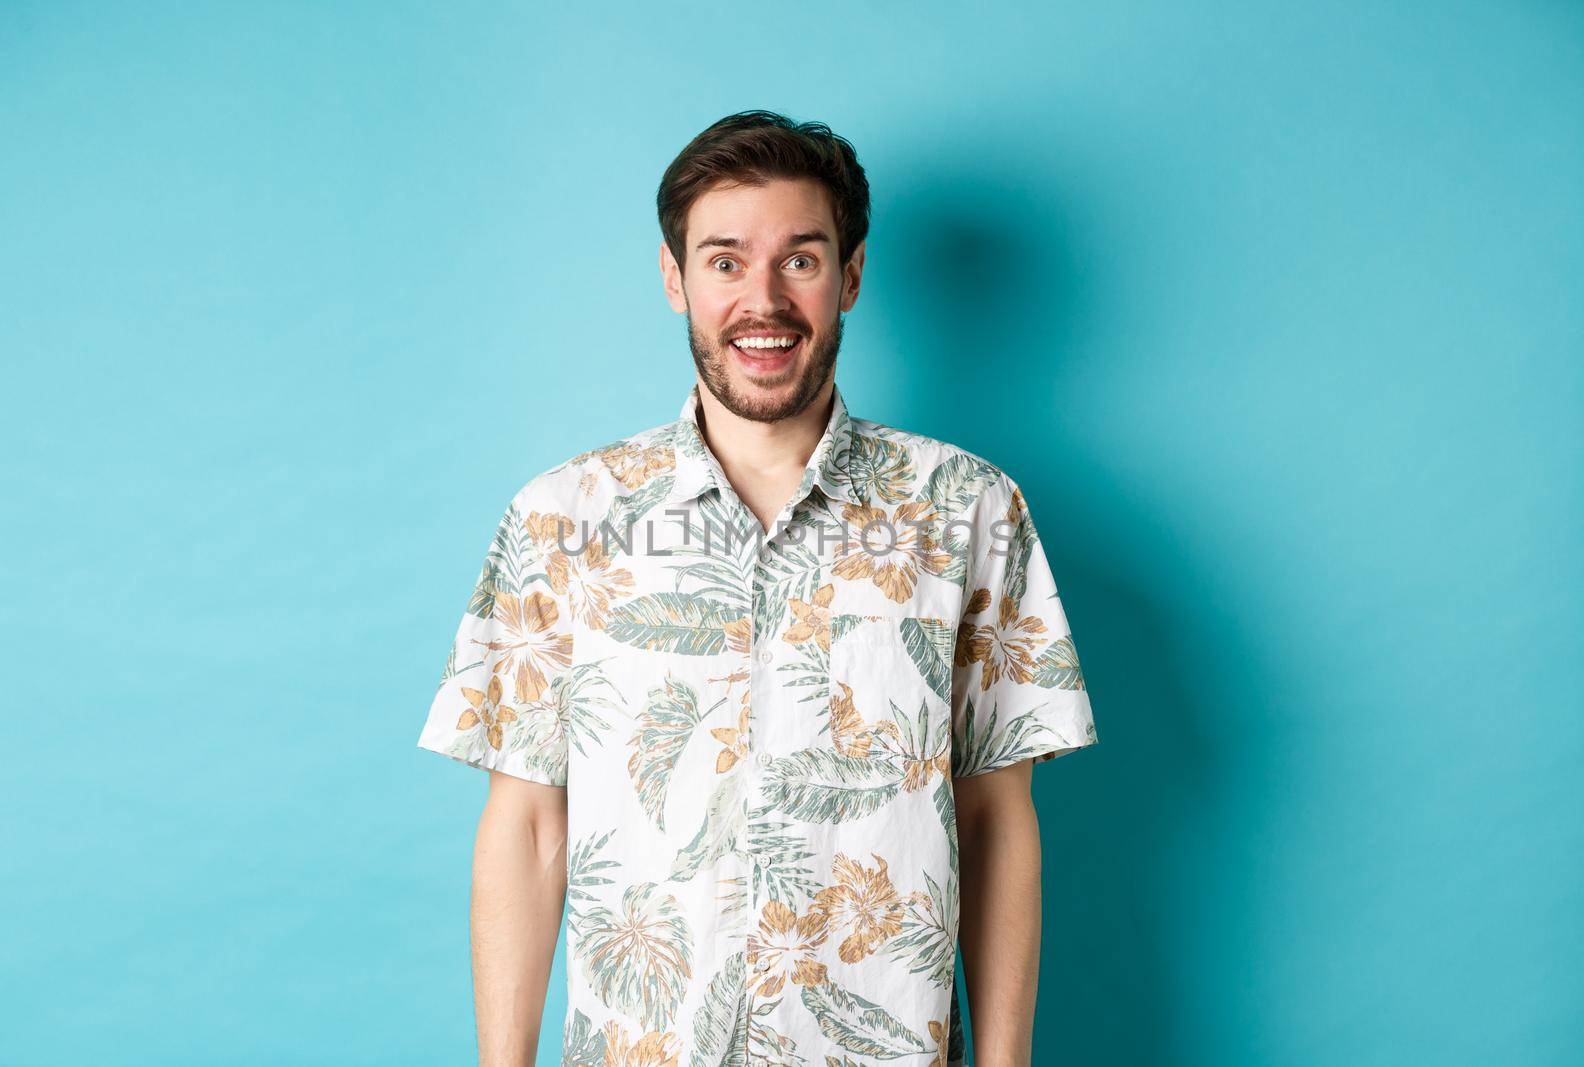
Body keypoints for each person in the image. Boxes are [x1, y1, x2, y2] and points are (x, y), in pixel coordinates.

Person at [417, 109, 1099, 1066]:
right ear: (675, 279)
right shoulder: (562, 518)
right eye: (726, 261)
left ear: (851, 275)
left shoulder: (971, 511)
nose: (763, 301)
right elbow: (528, 827)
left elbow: (997, 819)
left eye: (801, 260)